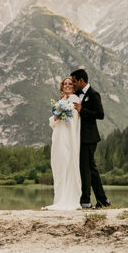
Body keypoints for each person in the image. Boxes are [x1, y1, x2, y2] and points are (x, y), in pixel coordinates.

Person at [70, 68, 109, 208]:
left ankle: (85, 200)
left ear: (81, 80)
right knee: (91, 169)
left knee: (85, 169)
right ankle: (103, 200)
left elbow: (100, 114)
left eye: (74, 81)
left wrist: (83, 110)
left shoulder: (93, 94)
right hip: (79, 138)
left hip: (89, 138)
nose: (73, 84)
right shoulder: (75, 95)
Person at [44, 77, 82, 210]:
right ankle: (59, 198)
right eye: (65, 84)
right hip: (58, 135)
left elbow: (74, 118)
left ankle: (69, 198)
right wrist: (57, 115)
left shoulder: (75, 99)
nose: (67, 86)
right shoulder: (60, 101)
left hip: (68, 136)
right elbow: (53, 121)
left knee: (67, 162)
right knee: (58, 165)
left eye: (70, 84)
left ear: (74, 86)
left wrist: (62, 111)